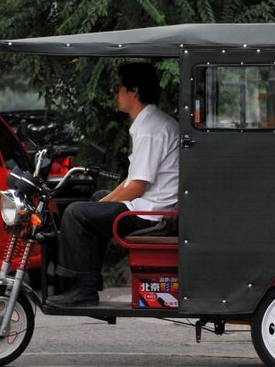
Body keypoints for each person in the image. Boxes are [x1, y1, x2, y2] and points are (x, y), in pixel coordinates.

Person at [48, 62, 180, 307]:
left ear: (134, 91)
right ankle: (88, 281)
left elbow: (137, 187)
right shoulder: (150, 122)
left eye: (119, 88)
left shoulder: (150, 129)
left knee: (76, 213)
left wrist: (102, 205)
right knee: (95, 201)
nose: (116, 94)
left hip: (152, 215)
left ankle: (83, 287)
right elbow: (131, 181)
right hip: (150, 206)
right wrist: (103, 202)